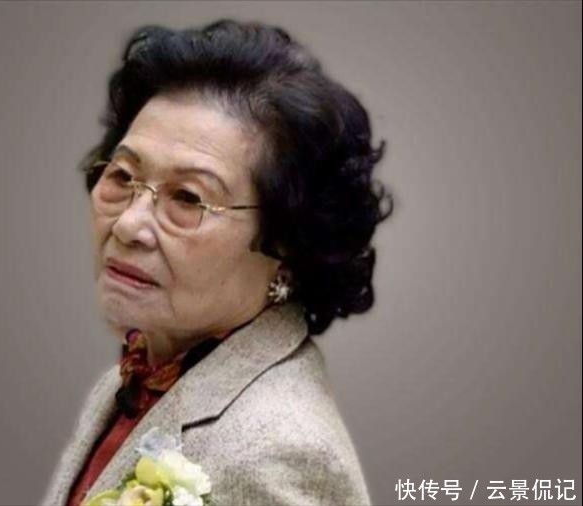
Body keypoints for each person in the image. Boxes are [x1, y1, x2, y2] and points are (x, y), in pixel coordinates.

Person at [42, 18, 393, 506]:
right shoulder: (135, 379)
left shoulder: (278, 453)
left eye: (188, 198)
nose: (128, 225)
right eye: (122, 176)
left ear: (286, 243)